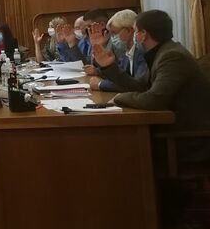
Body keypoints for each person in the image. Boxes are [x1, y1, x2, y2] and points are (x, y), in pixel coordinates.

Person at [94, 10, 210, 161]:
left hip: (188, 138)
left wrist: (120, 98)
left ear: (143, 34)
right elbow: (139, 86)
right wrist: (110, 67)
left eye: (136, 32)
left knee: (120, 147)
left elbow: (153, 100)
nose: (135, 36)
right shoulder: (161, 52)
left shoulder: (172, 56)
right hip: (172, 129)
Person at [89, 9, 147, 92]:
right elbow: (119, 77)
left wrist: (100, 84)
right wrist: (99, 47)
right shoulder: (126, 51)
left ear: (129, 30)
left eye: (114, 33)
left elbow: (135, 86)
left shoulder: (142, 52)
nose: (112, 37)